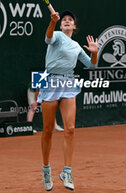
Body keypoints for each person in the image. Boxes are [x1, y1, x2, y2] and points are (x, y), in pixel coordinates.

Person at [37, 10, 98, 191]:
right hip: (50, 81)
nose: (67, 21)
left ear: (74, 26)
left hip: (68, 82)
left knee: (70, 129)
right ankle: (46, 169)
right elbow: (47, 38)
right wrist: (52, 22)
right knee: (48, 130)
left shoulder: (77, 46)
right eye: (64, 19)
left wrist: (95, 52)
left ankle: (67, 171)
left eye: (70, 20)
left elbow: (92, 65)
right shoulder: (55, 34)